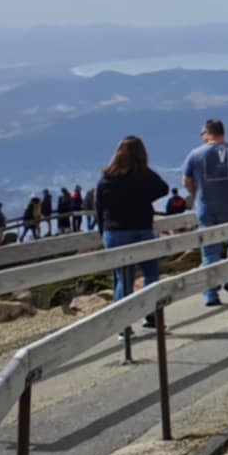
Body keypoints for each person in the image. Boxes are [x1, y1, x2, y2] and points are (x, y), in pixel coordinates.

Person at [96, 136, 168, 325]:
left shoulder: (107, 177)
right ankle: (151, 314)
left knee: (124, 279)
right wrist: (144, 196)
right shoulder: (143, 175)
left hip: (115, 232)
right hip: (142, 229)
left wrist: (102, 231)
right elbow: (163, 188)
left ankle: (122, 324)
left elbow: (99, 206)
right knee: (151, 273)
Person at [183, 117, 228, 306]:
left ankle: (211, 294)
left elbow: (186, 180)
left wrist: (196, 194)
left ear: (208, 133)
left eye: (203, 134)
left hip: (206, 208)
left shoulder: (195, 154)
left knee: (210, 251)